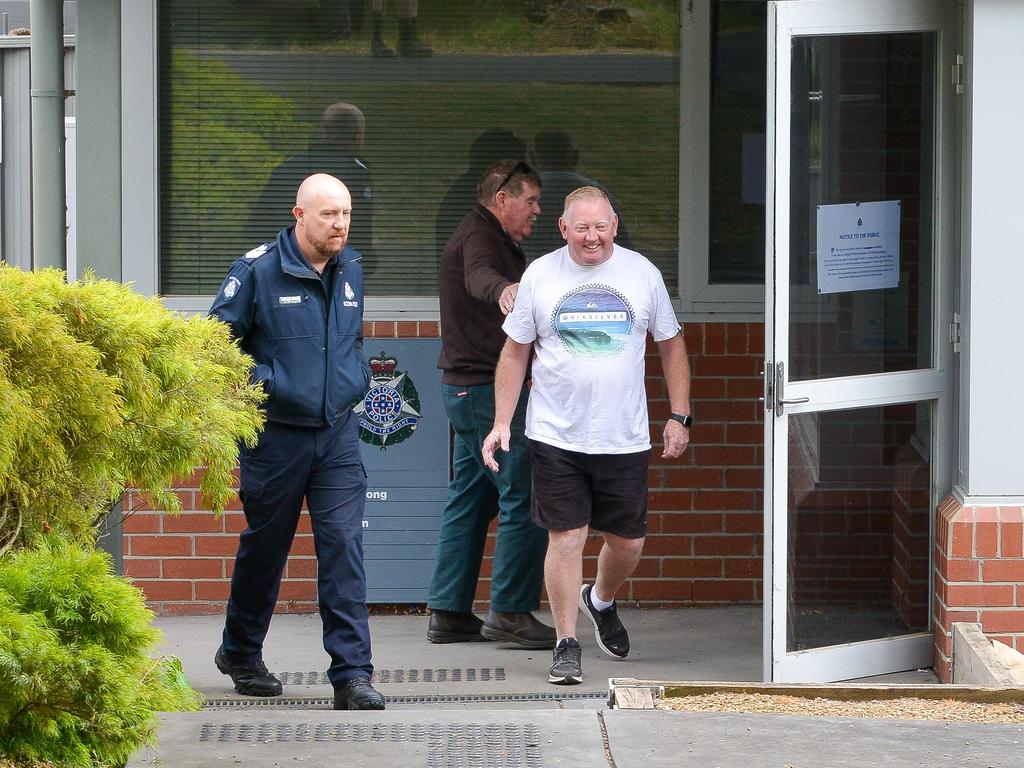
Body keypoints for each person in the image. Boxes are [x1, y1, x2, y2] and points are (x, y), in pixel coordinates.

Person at [482, 186, 692, 685]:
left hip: (623, 435)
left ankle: (599, 599)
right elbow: (514, 352)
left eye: (600, 227)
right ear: (563, 229)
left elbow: (671, 345)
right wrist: (501, 422)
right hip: (556, 434)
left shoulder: (642, 274)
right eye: (582, 228)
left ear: (614, 226)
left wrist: (679, 415)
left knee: (629, 542)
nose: (592, 237)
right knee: (568, 536)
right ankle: (565, 642)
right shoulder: (541, 274)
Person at [209, 173, 385, 711]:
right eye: (329, 214)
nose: (340, 225)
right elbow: (216, 347)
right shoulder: (257, 270)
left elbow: (349, 340)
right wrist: (270, 385)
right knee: (267, 547)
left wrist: (352, 379)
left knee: (343, 548)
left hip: (335, 434)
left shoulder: (350, 266)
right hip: (275, 438)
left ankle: (352, 674)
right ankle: (240, 652)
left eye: (347, 214)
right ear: (299, 214)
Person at [427, 159, 555, 649]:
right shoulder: (480, 237)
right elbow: (479, 277)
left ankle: (448, 611)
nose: (538, 211)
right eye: (531, 200)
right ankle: (510, 610)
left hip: (465, 389)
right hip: (483, 391)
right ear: (502, 199)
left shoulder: (491, 235)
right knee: (524, 491)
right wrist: (505, 290)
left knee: (472, 498)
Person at [247, 102, 377, 279]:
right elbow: (362, 233)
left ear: (323, 131)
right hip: (335, 274)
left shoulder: (287, 168)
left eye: (346, 213)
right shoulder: (356, 172)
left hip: (281, 271)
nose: (340, 222)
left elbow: (255, 226)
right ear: (357, 134)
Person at [524, 128, 633, 259]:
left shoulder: (522, 194)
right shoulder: (597, 192)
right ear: (575, 156)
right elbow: (624, 247)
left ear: (532, 158)